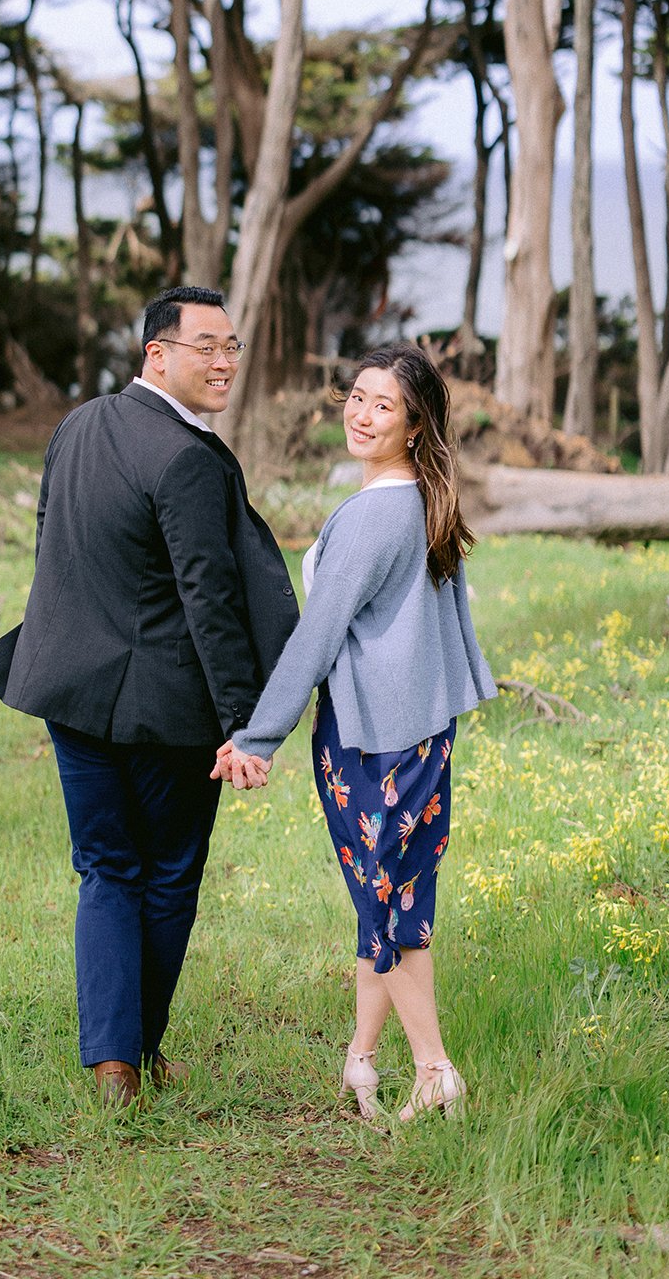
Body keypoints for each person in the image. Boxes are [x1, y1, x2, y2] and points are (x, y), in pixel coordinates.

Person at [0, 287, 299, 1107]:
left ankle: (117, 1063)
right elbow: (210, 598)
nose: (224, 362)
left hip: (66, 689)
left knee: (105, 870)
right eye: (206, 348)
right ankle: (135, 1051)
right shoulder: (186, 455)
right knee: (165, 876)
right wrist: (244, 723)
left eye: (232, 347)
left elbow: (52, 540)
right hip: (163, 710)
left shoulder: (77, 424)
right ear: (157, 354)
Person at [214, 343, 497, 1123]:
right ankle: (362, 1062)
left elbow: (317, 638)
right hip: (419, 733)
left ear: (413, 427)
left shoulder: (379, 515)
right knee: (391, 901)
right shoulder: (422, 501)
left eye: (384, 406)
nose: (362, 414)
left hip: (374, 740)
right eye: (358, 397)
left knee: (390, 908)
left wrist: (259, 736)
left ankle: (435, 1069)